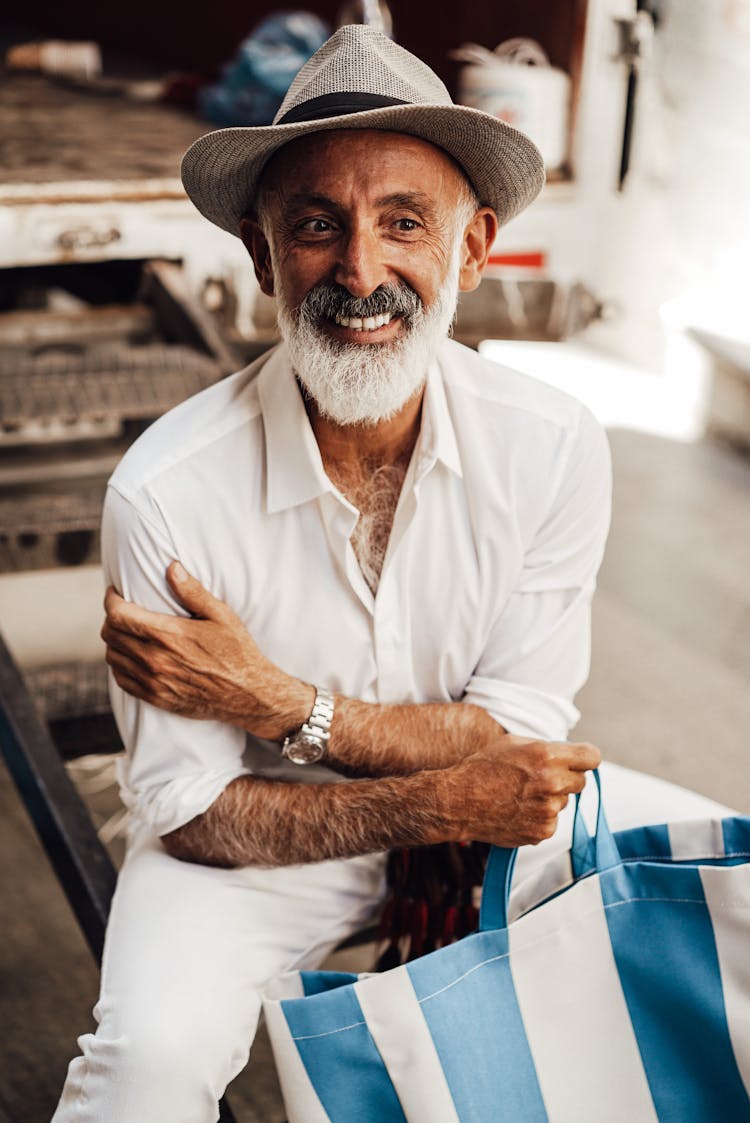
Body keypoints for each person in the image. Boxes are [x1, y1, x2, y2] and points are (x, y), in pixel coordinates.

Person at [52, 25, 729, 1123]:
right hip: (252, 846)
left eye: (403, 222)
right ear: (264, 258)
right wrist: (434, 796)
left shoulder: (553, 442)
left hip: (488, 821)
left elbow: (514, 735)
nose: (361, 271)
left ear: (472, 250)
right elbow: (191, 811)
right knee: (144, 1067)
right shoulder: (168, 489)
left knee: (721, 921)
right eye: (318, 225)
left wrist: (277, 702)